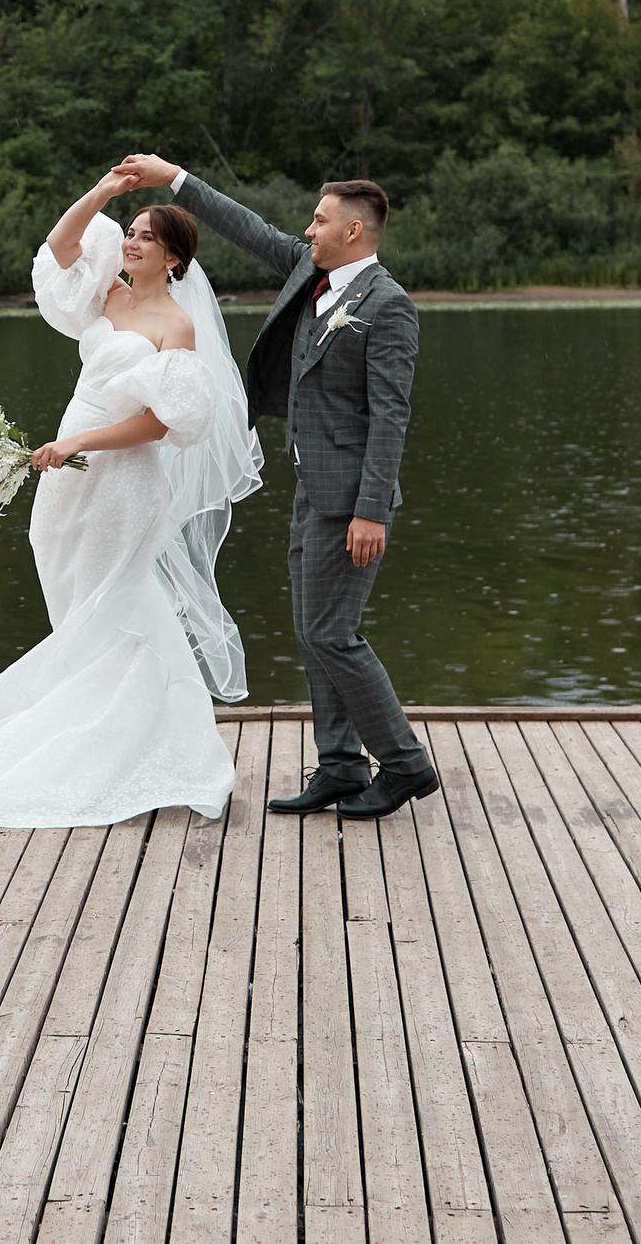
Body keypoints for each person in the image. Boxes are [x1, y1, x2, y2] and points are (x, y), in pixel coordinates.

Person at [0, 169, 263, 828]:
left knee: (117, 601)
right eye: (132, 234)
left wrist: (81, 440)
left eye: (148, 237)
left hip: (123, 477)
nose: (132, 243)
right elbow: (61, 245)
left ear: (174, 256)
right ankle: (97, 727)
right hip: (68, 471)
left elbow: (163, 423)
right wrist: (102, 194)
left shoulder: (177, 326)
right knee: (70, 593)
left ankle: (134, 745)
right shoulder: (106, 295)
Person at [112, 153, 436, 820]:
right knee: (312, 628)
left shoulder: (387, 305)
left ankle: (403, 763)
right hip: (313, 486)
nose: (307, 229)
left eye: (319, 220)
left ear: (353, 232)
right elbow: (248, 227)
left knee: (332, 632)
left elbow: (391, 416)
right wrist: (172, 177)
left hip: (352, 501)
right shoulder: (312, 275)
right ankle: (341, 764)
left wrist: (371, 510)